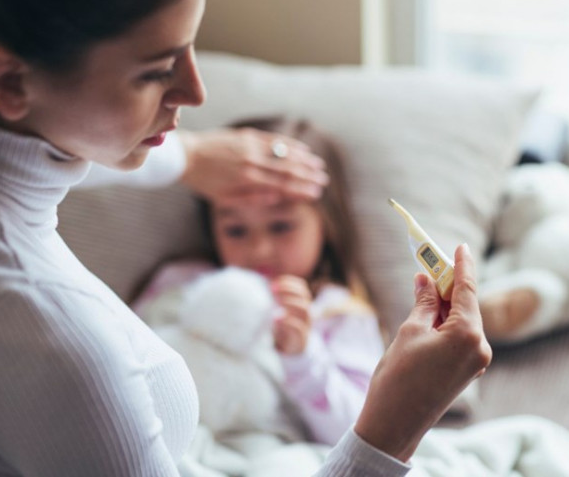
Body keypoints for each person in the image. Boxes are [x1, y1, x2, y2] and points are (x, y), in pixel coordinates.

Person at [0, 0, 490, 476]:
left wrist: (190, 157)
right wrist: (390, 432)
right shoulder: (57, 347)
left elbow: (46, 155)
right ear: (12, 81)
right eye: (154, 70)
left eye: (193, 46)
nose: (195, 91)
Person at [133, 117, 384, 447]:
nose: (259, 249)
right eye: (236, 230)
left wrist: (303, 357)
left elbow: (361, 433)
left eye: (281, 226)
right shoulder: (181, 281)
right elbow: (123, 358)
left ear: (327, 222)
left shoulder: (337, 312)